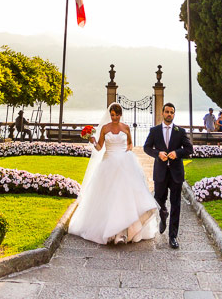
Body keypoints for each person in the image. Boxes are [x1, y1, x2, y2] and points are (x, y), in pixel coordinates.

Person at [68, 103, 159, 245]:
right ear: (109, 115)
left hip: (124, 163)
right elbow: (99, 148)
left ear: (120, 115)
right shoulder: (105, 128)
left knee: (125, 196)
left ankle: (124, 232)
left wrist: (127, 152)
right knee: (110, 197)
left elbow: (130, 144)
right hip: (109, 163)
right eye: (112, 115)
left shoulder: (126, 128)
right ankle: (112, 232)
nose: (114, 117)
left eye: (116, 115)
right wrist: (92, 141)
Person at [143, 103, 193, 249]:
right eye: (167, 111)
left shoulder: (180, 131)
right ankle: (163, 212)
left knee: (176, 204)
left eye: (172, 112)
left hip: (176, 173)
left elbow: (189, 149)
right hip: (160, 172)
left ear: (174, 115)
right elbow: (146, 147)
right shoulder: (155, 131)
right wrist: (157, 154)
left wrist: (177, 153)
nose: (169, 114)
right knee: (158, 198)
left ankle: (173, 237)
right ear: (162, 113)